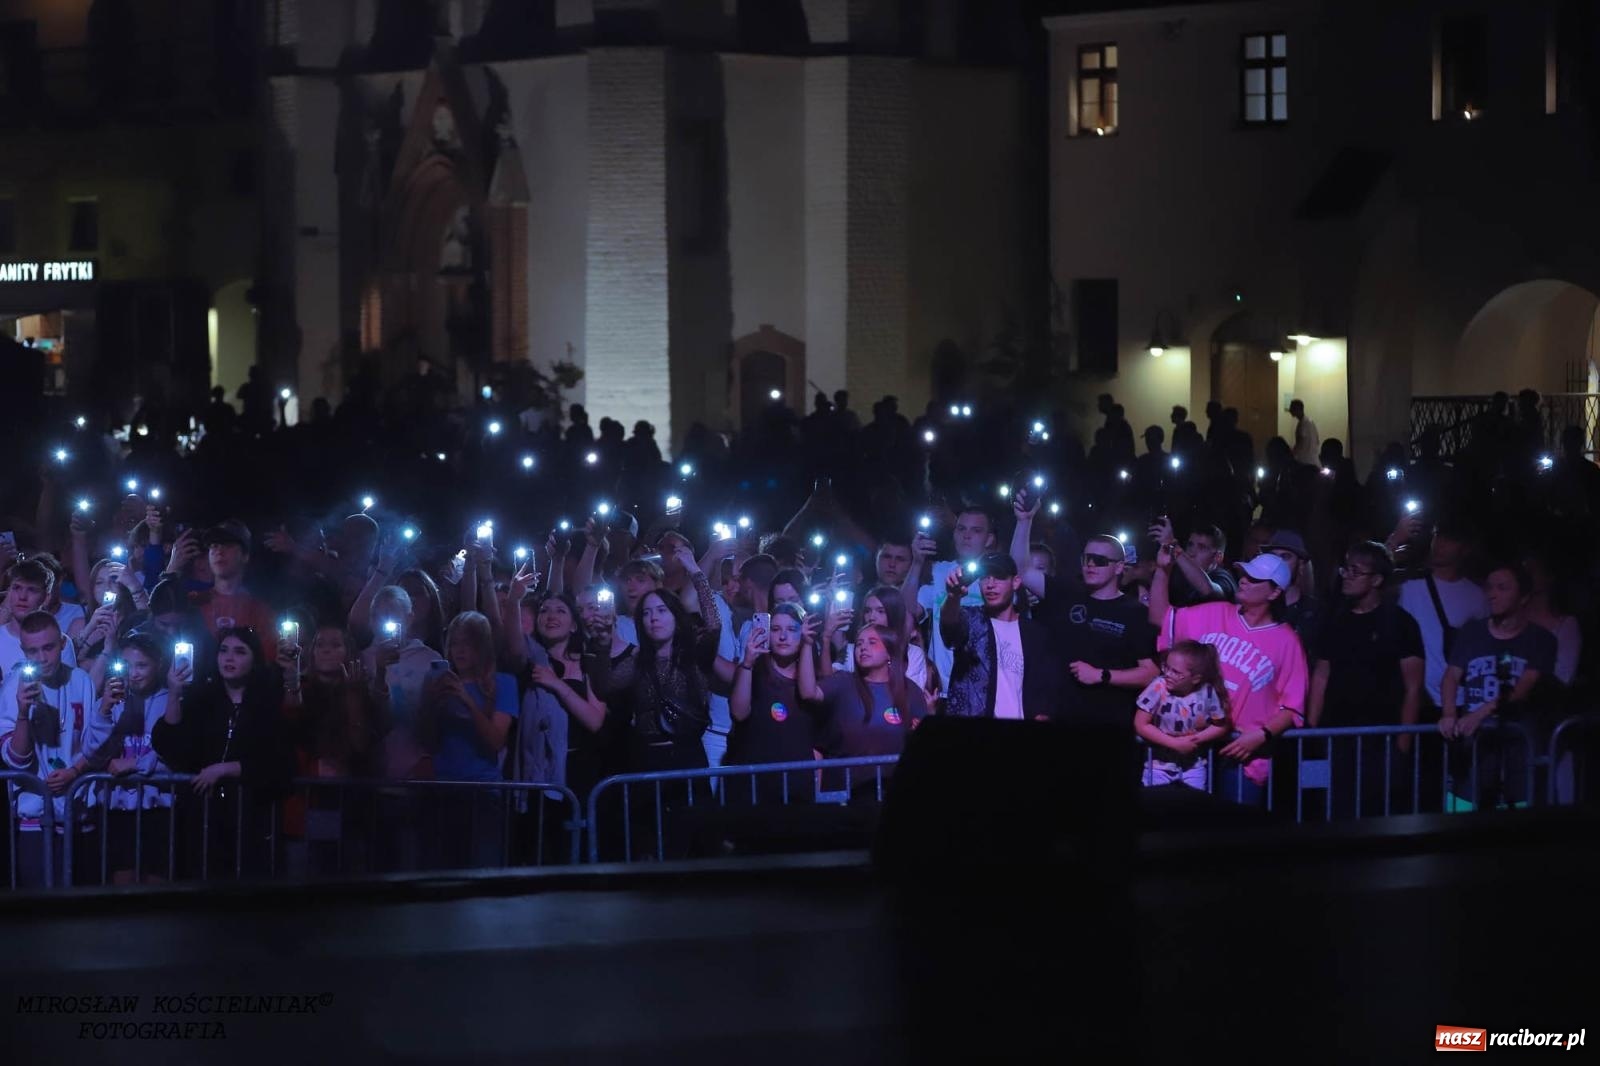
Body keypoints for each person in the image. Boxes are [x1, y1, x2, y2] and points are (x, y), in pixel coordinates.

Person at [1148, 548, 1309, 805]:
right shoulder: (1215, 612)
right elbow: (1160, 617)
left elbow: (1292, 707)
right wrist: (1162, 571)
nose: (1243, 580)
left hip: (1242, 756)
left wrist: (1262, 736)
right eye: (1243, 574)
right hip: (1195, 749)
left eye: (1254, 578)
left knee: (1233, 835)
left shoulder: (1287, 641)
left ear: (1275, 592)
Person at [151, 626, 292, 878]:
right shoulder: (202, 700)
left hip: (249, 819)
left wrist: (225, 769)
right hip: (202, 819)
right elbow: (169, 745)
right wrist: (174, 693)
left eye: (239, 652)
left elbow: (277, 763)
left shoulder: (266, 705)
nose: (229, 658)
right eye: (224, 651)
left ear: (254, 659)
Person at [1013, 501, 1158, 727]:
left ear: (1119, 567)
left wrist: (1102, 675)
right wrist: (1024, 521)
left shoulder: (1134, 612)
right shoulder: (1067, 593)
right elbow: (1021, 570)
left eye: (1100, 561)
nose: (1090, 564)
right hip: (1060, 715)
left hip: (1109, 722)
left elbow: (1150, 673)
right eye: (1086, 558)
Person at [1307, 542, 1425, 817]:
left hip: (1380, 740)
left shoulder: (1400, 623)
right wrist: (1312, 732)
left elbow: (1413, 687)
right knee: (1331, 812)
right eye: (1345, 569)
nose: (1346, 576)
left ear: (1377, 580)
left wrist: (1402, 746)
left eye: (1355, 571)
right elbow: (1321, 676)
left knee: (1375, 815)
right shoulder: (1335, 621)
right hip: (1334, 737)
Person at [1438, 564, 1555, 811]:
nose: (1492, 594)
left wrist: (1479, 715)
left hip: (1517, 748)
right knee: (1461, 814)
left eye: (1502, 588)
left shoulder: (1541, 640)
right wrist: (1449, 714)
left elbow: (1523, 689)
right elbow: (1451, 676)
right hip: (1475, 748)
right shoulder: (1471, 633)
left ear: (1523, 597)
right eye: (1490, 587)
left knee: (1513, 825)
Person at [0, 610, 100, 885]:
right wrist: (22, 713)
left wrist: (75, 771)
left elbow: (97, 743)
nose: (42, 658)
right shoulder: (13, 687)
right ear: (23, 651)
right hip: (35, 820)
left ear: (63, 644)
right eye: (32, 651)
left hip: (79, 816)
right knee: (41, 917)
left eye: (49, 647)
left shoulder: (81, 680)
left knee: (83, 917)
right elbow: (16, 761)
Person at [71, 630, 175, 883]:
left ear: (158, 665)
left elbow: (177, 756)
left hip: (157, 808)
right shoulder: (111, 701)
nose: (134, 673)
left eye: (142, 665)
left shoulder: (169, 701)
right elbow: (91, 754)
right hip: (116, 809)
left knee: (156, 882)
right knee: (121, 883)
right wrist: (104, 710)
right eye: (127, 665)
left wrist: (136, 764)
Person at [424, 611, 517, 868]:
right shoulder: (437, 681)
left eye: (468, 643)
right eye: (455, 643)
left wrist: (466, 701)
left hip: (483, 791)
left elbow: (496, 741)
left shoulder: (503, 683)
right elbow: (426, 739)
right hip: (443, 788)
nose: (459, 650)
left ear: (482, 646)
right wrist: (430, 703)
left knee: (482, 872)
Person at [727, 602, 825, 803]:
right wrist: (747, 663)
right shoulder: (753, 672)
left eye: (791, 629)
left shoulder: (811, 681)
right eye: (776, 629)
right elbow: (738, 713)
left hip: (799, 786)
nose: (783, 637)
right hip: (756, 786)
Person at [940, 553, 1057, 719]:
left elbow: (1045, 686)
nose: (990, 584)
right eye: (985, 577)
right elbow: (950, 630)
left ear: (1015, 582)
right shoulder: (971, 620)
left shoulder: (1034, 634)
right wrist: (953, 596)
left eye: (999, 577)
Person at [815, 625, 928, 791]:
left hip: (892, 794)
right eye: (859, 644)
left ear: (889, 653)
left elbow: (922, 742)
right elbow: (810, 694)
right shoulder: (842, 684)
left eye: (872, 642)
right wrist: (820, 640)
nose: (863, 648)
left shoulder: (910, 691)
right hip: (844, 794)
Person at [1397, 522, 1488, 711]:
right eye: (1438, 536)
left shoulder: (1476, 596)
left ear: (1465, 548)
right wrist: (1393, 543)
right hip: (1413, 697)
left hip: (1459, 698)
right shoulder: (1408, 584)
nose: (1440, 544)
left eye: (1450, 540)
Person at [913, 506, 998, 688]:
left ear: (989, 539)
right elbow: (907, 611)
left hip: (983, 686)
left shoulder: (998, 578)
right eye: (961, 529)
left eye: (976, 530)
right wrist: (917, 562)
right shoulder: (938, 572)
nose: (966, 535)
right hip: (940, 688)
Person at [1133, 641, 1231, 789]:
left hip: (1193, 767)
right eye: (1167, 667)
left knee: (1190, 808)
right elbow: (1141, 724)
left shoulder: (1207, 692)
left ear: (1196, 678)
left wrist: (1194, 739)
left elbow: (1221, 726)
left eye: (1176, 672)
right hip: (1158, 767)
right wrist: (1175, 744)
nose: (1168, 674)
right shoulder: (1159, 686)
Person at [190, 521, 278, 659]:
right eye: (214, 546)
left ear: (245, 555)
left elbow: (267, 663)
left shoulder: (261, 611)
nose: (219, 551)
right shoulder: (193, 602)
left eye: (228, 545)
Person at [0, 560, 81, 682]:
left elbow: (70, 692)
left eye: (32, 590)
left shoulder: (60, 643)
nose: (22, 597)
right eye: (17, 588)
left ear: (46, 598)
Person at [1147, 517, 1235, 606]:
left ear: (1218, 557)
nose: (1192, 552)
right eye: (1190, 545)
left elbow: (1208, 590)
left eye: (1202, 547)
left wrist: (1173, 546)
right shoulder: (1181, 575)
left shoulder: (1224, 578)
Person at [1289, 399, 1320, 467]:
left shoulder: (1303, 423)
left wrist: (1292, 453)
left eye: (1292, 408)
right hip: (1314, 460)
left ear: (1298, 409)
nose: (1290, 410)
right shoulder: (1310, 422)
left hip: (1305, 462)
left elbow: (1300, 442)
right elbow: (1317, 441)